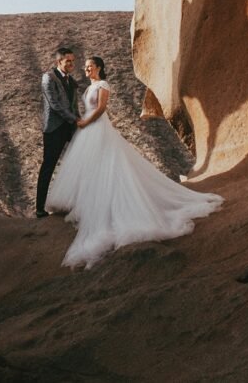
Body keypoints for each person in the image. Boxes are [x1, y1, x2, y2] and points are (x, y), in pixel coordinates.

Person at [47, 56, 223, 268]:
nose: (86, 70)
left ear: (99, 68)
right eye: (85, 68)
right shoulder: (88, 88)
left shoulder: (103, 84)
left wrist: (85, 122)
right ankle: (85, 201)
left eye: (90, 67)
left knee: (109, 164)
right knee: (91, 166)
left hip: (97, 127)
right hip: (89, 131)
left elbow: (101, 108)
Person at [36, 47, 80, 218]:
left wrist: (80, 122)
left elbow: (74, 106)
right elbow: (55, 104)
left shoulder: (71, 80)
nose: (71, 64)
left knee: (78, 164)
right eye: (68, 61)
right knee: (48, 166)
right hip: (54, 129)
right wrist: (75, 119)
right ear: (58, 62)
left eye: (73, 61)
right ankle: (40, 208)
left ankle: (74, 203)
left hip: (72, 128)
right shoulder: (48, 78)